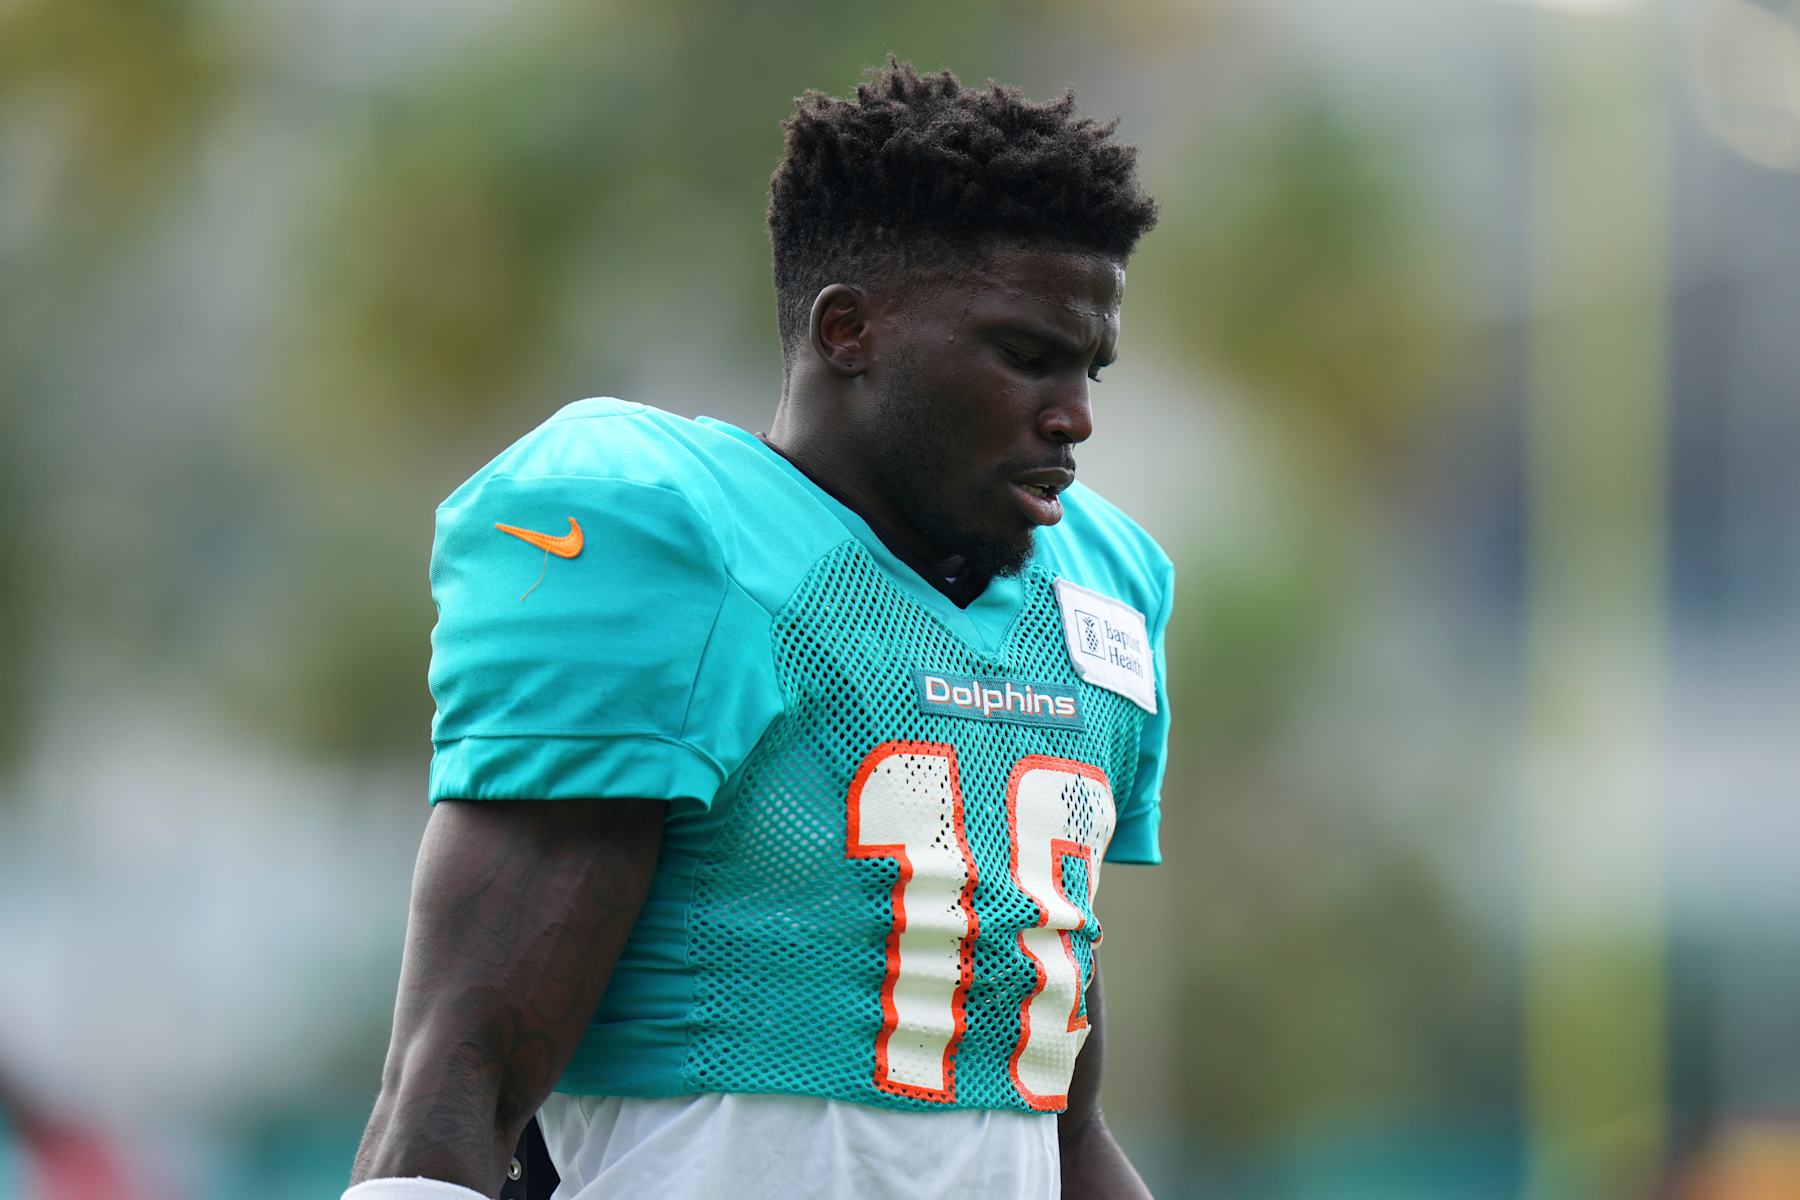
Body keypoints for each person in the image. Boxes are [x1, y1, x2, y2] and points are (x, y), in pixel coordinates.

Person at [345, 58, 1169, 1200]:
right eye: (1027, 355)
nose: (1074, 414)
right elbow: (456, 1083)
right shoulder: (678, 540)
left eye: (1090, 365)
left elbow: (1061, 1126)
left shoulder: (1099, 601)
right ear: (849, 332)